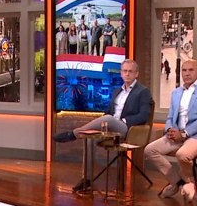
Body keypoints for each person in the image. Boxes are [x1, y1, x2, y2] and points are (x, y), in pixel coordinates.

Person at [53, 59, 152, 192]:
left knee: (108, 119)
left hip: (128, 129)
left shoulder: (143, 91)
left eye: (130, 71)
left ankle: (73, 134)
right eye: (125, 71)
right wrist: (104, 123)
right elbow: (108, 112)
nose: (127, 74)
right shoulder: (117, 91)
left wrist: (123, 121)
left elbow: (144, 115)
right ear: (121, 73)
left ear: (136, 74)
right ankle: (87, 179)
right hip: (110, 126)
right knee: (89, 139)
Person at [144, 58, 197, 203]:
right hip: (177, 134)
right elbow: (170, 116)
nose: (187, 73)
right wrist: (170, 129)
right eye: (184, 70)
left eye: (191, 70)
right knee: (149, 150)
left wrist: (184, 133)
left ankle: (183, 181)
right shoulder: (176, 92)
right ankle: (178, 183)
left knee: (182, 154)